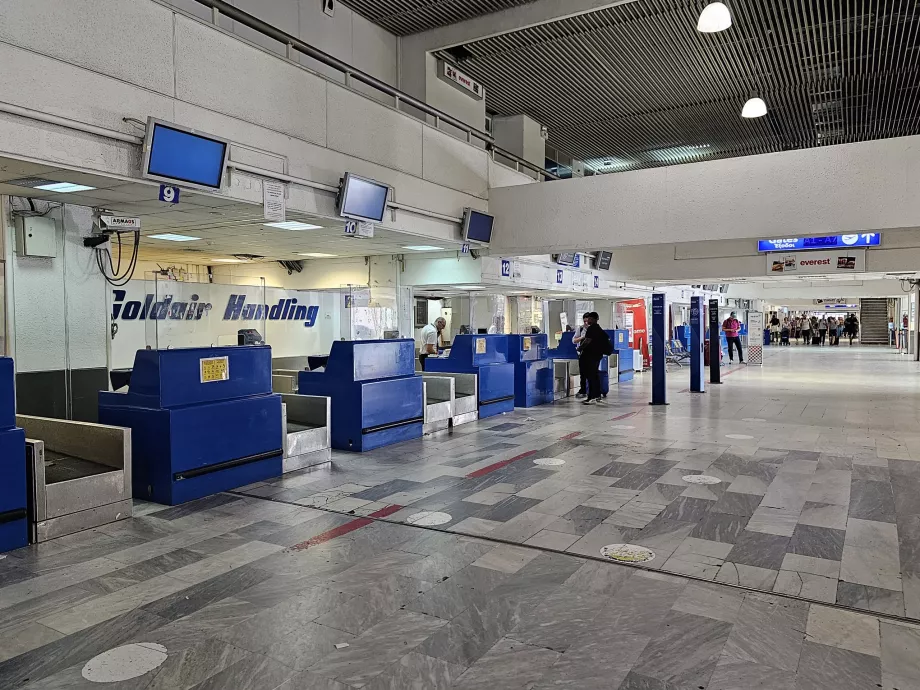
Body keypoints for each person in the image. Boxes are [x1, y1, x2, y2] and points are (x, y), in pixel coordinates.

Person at [578, 312, 611, 404]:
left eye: (589, 319)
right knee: (594, 375)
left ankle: (591, 396)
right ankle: (597, 396)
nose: (587, 320)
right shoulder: (599, 329)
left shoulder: (592, 329)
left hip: (590, 356)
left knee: (590, 376)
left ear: (592, 319)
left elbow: (587, 341)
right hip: (597, 355)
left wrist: (580, 348)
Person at [572, 313, 591, 398]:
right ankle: (583, 390)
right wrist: (582, 337)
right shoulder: (580, 329)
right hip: (582, 355)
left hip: (592, 355)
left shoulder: (594, 329)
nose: (586, 323)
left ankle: (592, 391)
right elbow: (574, 340)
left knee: (591, 374)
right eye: (584, 321)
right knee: (582, 374)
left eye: (587, 321)